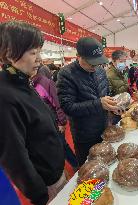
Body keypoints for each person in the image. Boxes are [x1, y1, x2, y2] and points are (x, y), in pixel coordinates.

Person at [0, 21, 65, 205]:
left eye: (39, 51)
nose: (40, 59)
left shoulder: (22, 81)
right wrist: (40, 195)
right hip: (47, 185)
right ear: (9, 54)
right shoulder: (4, 95)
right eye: (33, 52)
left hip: (56, 172)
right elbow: (14, 156)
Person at [57, 37, 120, 166]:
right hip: (85, 134)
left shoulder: (100, 71)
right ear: (78, 56)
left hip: (104, 128)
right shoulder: (66, 74)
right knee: (89, 171)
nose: (95, 66)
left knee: (107, 164)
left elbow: (105, 94)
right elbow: (67, 106)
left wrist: (112, 106)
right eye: (91, 62)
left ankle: (103, 187)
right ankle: (91, 186)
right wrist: (99, 103)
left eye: (98, 62)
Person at [31, 65, 79, 171]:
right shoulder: (29, 84)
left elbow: (57, 104)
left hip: (54, 122)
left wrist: (61, 122)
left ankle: (75, 164)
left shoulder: (45, 83)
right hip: (41, 125)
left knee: (62, 145)